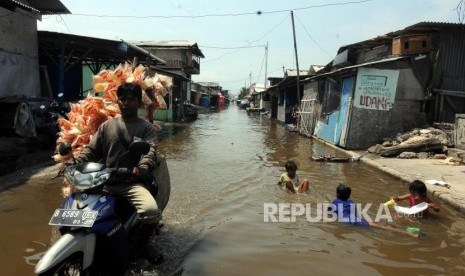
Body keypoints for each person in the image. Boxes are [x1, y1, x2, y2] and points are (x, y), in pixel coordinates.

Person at [62, 82, 163, 268]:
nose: (126, 103)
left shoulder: (146, 128)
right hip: (104, 181)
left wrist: (143, 166)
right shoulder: (107, 126)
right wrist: (73, 162)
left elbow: (151, 150)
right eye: (122, 99)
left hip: (131, 183)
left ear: (139, 103)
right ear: (117, 101)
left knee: (150, 212)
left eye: (131, 99)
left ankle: (139, 248)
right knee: (74, 210)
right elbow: (91, 151)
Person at [330, 184, 420, 238]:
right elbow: (355, 215)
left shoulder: (334, 202)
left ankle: (408, 232)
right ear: (349, 195)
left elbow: (331, 212)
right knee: (382, 226)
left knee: (378, 224)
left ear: (337, 194)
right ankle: (410, 233)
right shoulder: (351, 203)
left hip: (348, 221)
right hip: (353, 220)